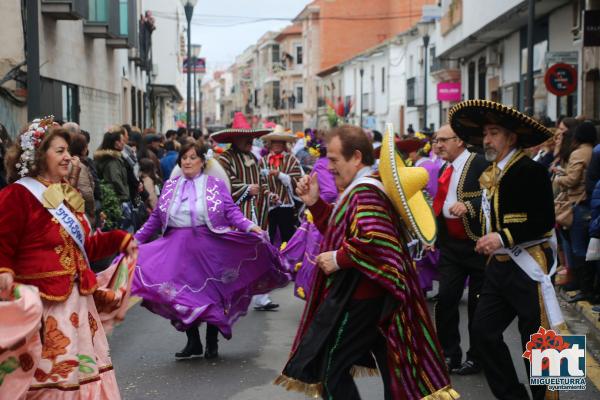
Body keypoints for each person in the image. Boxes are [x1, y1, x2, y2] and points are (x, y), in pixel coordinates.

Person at [275, 125, 456, 400]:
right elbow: (346, 233)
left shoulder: (365, 192)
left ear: (356, 157)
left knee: (330, 371)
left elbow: (375, 241)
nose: (329, 167)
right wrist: (315, 203)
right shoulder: (359, 189)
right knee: (394, 366)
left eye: (334, 159)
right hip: (369, 294)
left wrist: (338, 258)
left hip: (361, 297)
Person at [0, 118, 136, 398]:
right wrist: (4, 269)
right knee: (48, 382)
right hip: (45, 304)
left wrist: (119, 239)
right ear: (39, 155)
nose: (68, 158)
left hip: (78, 303)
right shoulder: (17, 195)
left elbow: (84, 247)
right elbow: (3, 241)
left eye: (68, 151)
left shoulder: (67, 194)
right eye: (60, 151)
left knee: (83, 377)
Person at [131, 143, 289, 359]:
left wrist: (250, 226)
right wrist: (133, 240)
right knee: (179, 297)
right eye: (184, 158)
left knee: (212, 294)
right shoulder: (170, 186)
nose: (187, 161)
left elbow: (231, 211)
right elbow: (155, 218)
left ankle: (211, 342)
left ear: (202, 162)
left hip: (210, 246)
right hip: (176, 249)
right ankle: (193, 341)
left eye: (192, 157)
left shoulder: (215, 184)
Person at [449, 100, 557, 400]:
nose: (486, 140)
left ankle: (551, 397)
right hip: (499, 268)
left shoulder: (530, 170)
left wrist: (502, 237)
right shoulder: (492, 173)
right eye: (484, 133)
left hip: (529, 266)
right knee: (483, 334)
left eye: (494, 132)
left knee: (541, 341)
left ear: (511, 137)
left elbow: (543, 220)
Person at [430, 124, 489, 375]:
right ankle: (449, 353)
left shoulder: (479, 162)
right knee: (445, 300)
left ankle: (477, 357)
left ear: (460, 141)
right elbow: (441, 203)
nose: (438, 145)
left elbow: (492, 194)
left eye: (444, 140)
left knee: (478, 306)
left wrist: (469, 205)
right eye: (436, 140)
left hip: (477, 245)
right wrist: (432, 234)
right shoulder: (445, 168)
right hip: (451, 247)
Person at [212, 112, 280, 311]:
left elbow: (262, 183)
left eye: (252, 138)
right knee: (234, 258)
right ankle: (227, 296)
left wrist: (269, 195)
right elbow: (223, 184)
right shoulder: (225, 160)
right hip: (236, 217)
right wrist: (245, 189)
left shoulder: (254, 158)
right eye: (245, 138)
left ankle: (261, 297)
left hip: (259, 215)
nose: (251, 141)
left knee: (260, 254)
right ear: (235, 139)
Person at [554, 121, 597, 303]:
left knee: (578, 248)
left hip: (578, 202)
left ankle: (583, 288)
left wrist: (559, 178)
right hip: (587, 202)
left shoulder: (579, 152)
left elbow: (573, 179)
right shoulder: (592, 150)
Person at [260, 126, 303, 245]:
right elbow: (260, 182)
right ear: (270, 143)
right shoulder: (263, 161)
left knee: (287, 237)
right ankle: (271, 261)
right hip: (269, 206)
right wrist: (269, 195)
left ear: (284, 144)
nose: (277, 145)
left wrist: (280, 175)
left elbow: (296, 180)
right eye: (274, 142)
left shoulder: (291, 160)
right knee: (270, 237)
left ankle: (287, 262)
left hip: (286, 205)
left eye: (280, 142)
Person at [69, 133, 97, 225]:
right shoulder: (78, 165)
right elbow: (86, 193)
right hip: (81, 212)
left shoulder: (74, 163)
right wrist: (92, 211)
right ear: (83, 149)